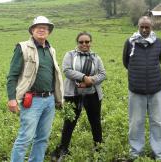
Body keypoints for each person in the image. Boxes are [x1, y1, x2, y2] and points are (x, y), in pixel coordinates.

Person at [6, 16, 63, 162]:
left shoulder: (51, 50)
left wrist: (58, 98)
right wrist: (12, 98)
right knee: (25, 138)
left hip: (49, 100)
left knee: (42, 138)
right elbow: (12, 75)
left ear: (49, 31)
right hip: (32, 100)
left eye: (45, 27)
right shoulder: (23, 47)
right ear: (32, 30)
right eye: (38, 27)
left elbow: (55, 75)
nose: (42, 29)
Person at [51, 32, 106, 161]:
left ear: (90, 42)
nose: (84, 44)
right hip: (72, 94)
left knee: (95, 122)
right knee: (69, 122)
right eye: (81, 42)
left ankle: (98, 147)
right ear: (77, 43)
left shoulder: (96, 57)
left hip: (92, 94)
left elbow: (103, 74)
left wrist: (91, 80)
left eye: (87, 42)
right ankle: (64, 148)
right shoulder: (70, 55)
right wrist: (83, 77)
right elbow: (67, 70)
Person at [122, 16, 161, 161]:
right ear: (138, 26)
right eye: (142, 27)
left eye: (147, 27)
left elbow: (158, 60)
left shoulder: (159, 42)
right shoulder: (130, 43)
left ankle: (160, 154)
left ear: (151, 27)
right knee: (136, 123)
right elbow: (126, 62)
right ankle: (135, 153)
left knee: (159, 122)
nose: (144, 30)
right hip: (136, 90)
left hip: (156, 89)